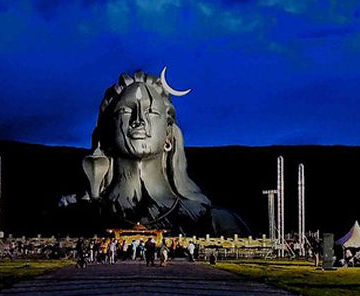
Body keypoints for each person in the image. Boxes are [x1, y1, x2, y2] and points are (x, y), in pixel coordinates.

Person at [77, 69, 249, 235]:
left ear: (168, 134)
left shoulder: (214, 221)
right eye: (125, 110)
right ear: (108, 133)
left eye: (151, 112)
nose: (139, 121)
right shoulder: (75, 216)